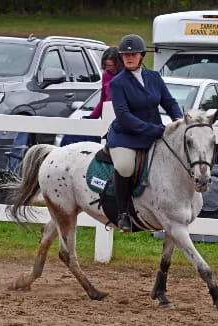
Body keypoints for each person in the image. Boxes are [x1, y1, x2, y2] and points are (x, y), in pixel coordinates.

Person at [108, 34, 183, 232]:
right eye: (125, 55)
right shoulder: (117, 83)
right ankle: (123, 213)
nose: (129, 57)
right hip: (126, 136)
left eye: (133, 54)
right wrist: (153, 130)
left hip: (154, 133)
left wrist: (180, 121)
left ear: (141, 56)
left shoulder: (154, 77)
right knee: (124, 167)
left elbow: (169, 102)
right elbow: (124, 116)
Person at [60, 46, 124, 146]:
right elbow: (103, 100)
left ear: (118, 64)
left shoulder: (125, 77)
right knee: (72, 135)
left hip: (117, 122)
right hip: (104, 120)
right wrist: (91, 119)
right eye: (105, 65)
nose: (107, 68)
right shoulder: (106, 75)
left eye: (110, 65)